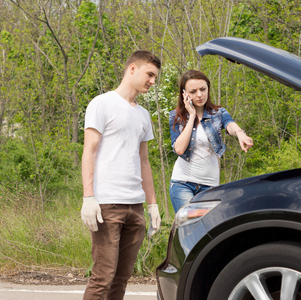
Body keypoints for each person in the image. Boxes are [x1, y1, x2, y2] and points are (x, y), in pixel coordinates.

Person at [80, 50, 162, 300]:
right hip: (107, 205)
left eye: (155, 77)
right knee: (103, 276)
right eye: (149, 74)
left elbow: (144, 161)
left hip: (135, 207)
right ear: (132, 69)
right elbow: (89, 152)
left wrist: (152, 204)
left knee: (122, 278)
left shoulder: (143, 115)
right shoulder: (102, 103)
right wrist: (88, 197)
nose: (152, 81)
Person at [169, 69, 253, 213]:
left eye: (203, 89)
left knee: (208, 231)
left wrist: (240, 133)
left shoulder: (218, 113)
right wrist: (192, 116)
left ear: (208, 88)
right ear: (185, 94)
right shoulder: (176, 117)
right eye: (193, 91)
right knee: (189, 230)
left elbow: (230, 124)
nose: (199, 94)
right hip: (183, 183)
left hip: (210, 187)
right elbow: (180, 149)